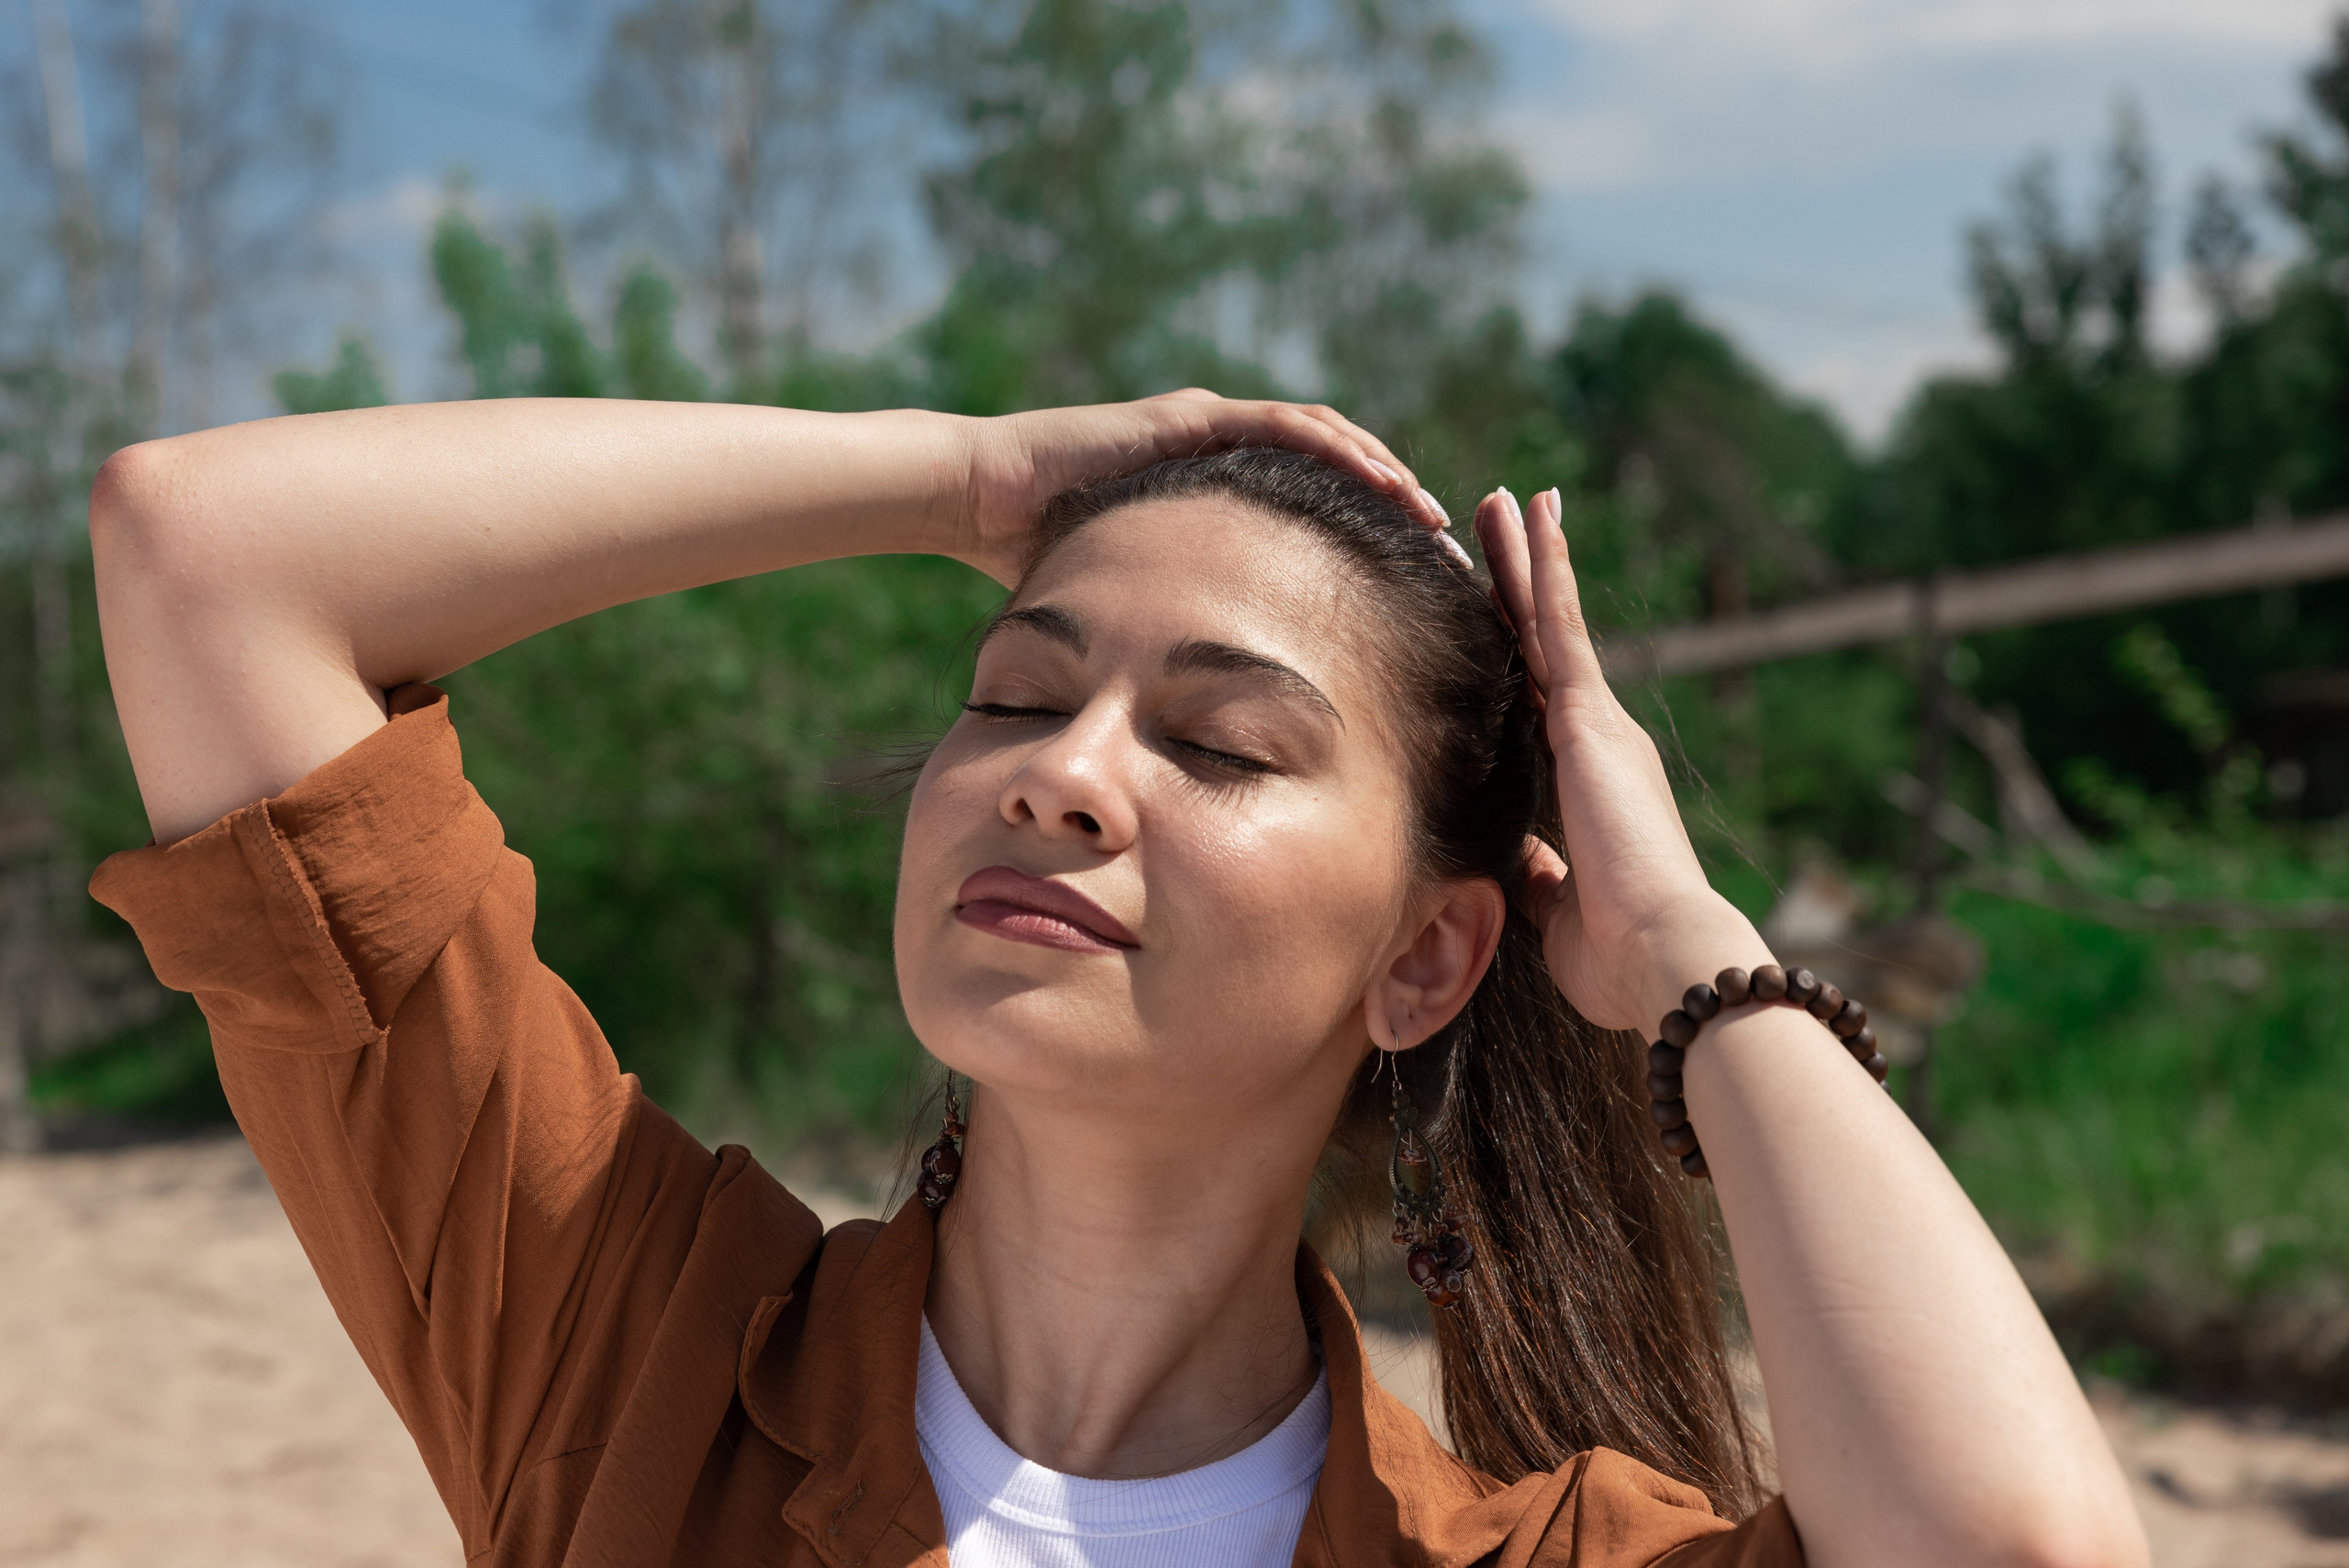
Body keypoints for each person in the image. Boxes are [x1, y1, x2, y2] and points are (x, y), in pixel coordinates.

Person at [86, 392, 2147, 1568]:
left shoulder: (1523, 1563)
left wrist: (1691, 957)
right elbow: (208, 556)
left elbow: (2020, 1553)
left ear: (1428, 956)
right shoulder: (633, 1368)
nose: (1061, 778)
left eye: (1219, 745)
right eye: (1014, 693)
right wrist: (959, 480)